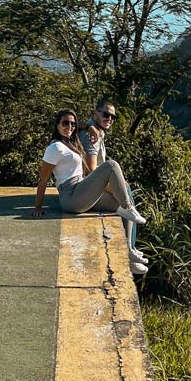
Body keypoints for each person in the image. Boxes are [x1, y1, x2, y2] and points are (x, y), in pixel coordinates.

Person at [32, 109, 147, 261]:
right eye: (65, 123)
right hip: (71, 197)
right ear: (57, 125)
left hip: (81, 190)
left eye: (72, 124)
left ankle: (129, 253)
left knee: (120, 202)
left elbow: (77, 126)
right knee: (111, 165)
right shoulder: (55, 148)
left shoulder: (71, 143)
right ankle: (128, 207)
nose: (70, 126)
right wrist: (38, 207)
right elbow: (43, 179)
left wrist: (89, 127)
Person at [80, 99, 149, 275]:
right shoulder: (92, 137)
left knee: (126, 193)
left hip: (90, 187)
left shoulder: (93, 130)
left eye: (112, 116)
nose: (109, 118)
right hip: (85, 191)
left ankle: (131, 250)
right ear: (95, 113)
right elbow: (91, 172)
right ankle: (129, 253)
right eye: (106, 114)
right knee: (124, 204)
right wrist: (114, 189)